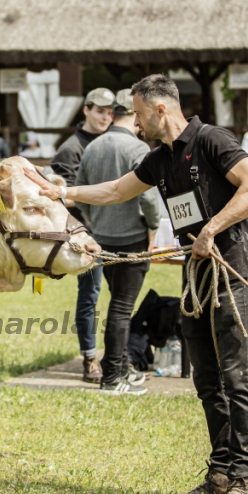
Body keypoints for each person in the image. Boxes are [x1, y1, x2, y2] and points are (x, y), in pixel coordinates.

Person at [25, 74, 248, 494]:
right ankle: (220, 473)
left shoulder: (212, 140)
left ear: (160, 110)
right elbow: (117, 191)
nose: (132, 122)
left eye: (136, 113)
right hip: (196, 276)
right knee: (207, 379)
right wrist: (60, 192)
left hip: (231, 272)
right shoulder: (159, 159)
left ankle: (244, 481)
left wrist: (211, 229)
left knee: (237, 378)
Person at [74, 98, 162, 395]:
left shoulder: (93, 146)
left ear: (113, 114)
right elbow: (149, 199)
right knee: (122, 308)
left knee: (117, 304)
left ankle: (121, 367)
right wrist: (153, 226)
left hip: (102, 238)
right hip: (132, 237)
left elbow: (81, 192)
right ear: (134, 117)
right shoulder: (137, 149)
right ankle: (113, 376)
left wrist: (93, 223)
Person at [50, 87, 115, 383]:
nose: (106, 116)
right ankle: (90, 358)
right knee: (90, 296)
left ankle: (117, 357)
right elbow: (63, 199)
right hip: (87, 234)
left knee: (120, 298)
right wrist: (104, 194)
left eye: (111, 111)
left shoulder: (115, 141)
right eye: (100, 110)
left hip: (119, 230)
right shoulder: (71, 148)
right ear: (86, 110)